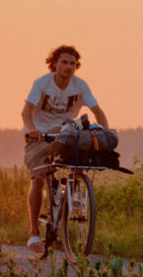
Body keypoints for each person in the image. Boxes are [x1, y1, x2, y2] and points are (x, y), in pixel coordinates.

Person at [22, 45, 110, 254]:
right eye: (64, 62)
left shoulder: (80, 86)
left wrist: (106, 132)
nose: (68, 67)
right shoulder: (42, 84)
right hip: (40, 135)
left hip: (67, 133)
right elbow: (26, 111)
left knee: (84, 151)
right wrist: (32, 129)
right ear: (54, 64)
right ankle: (34, 233)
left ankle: (76, 192)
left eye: (72, 63)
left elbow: (97, 110)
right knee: (38, 178)